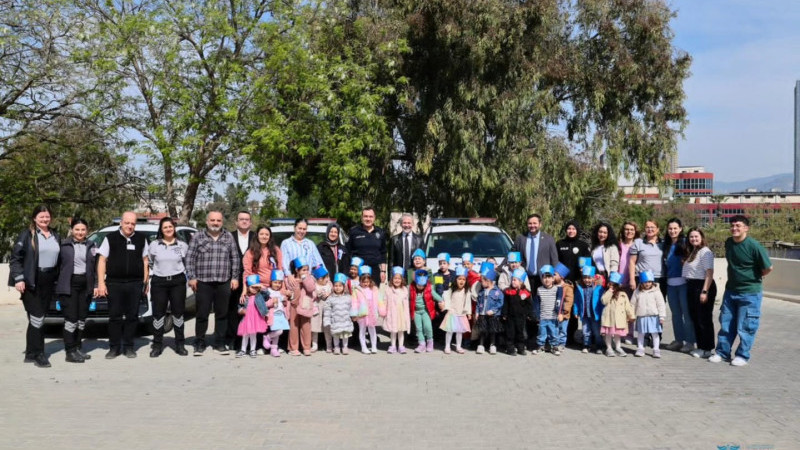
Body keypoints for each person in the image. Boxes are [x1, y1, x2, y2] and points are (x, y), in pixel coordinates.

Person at [709, 215, 772, 367]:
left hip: (750, 293)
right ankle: (722, 353)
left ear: (746, 228)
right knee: (726, 324)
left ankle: (742, 355)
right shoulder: (729, 243)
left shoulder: (754, 246)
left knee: (746, 326)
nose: (734, 228)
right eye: (732, 226)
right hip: (731, 290)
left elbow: (768, 268)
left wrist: (752, 278)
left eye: (738, 225)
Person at [10, 206, 61, 367]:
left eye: (47, 217)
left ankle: (30, 353)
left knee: (36, 319)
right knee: (38, 317)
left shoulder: (55, 235)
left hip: (49, 280)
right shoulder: (27, 235)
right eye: (41, 217)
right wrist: (19, 279)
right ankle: (39, 354)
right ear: (34, 218)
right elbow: (15, 258)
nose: (45, 219)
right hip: (31, 280)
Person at [185, 211, 241, 356]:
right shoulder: (198, 236)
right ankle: (199, 342)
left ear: (222, 221)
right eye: (212, 220)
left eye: (218, 220)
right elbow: (189, 258)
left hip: (224, 282)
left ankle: (219, 343)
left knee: (222, 314)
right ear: (207, 221)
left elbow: (235, 258)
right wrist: (191, 277)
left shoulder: (228, 237)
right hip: (203, 282)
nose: (215, 223)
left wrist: (235, 277)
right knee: (202, 314)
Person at [97, 211, 149, 360]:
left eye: (133, 223)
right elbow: (102, 260)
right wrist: (101, 282)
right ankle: (114, 347)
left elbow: (145, 261)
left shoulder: (141, 239)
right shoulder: (110, 238)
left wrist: (145, 282)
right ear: (121, 223)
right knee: (115, 317)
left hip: (135, 284)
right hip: (114, 283)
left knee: (132, 316)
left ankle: (129, 347)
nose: (130, 226)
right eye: (127, 223)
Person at [56, 218, 98, 363]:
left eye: (83, 230)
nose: (80, 232)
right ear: (72, 230)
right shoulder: (63, 245)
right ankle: (70, 351)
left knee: (81, 320)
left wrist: (96, 285)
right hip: (69, 286)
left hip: (85, 286)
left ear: (87, 230)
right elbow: (56, 266)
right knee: (71, 320)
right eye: (77, 229)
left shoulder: (92, 245)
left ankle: (78, 348)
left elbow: (95, 267)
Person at [146, 217, 190, 357]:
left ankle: (180, 344)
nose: (168, 229)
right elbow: (150, 262)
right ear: (161, 229)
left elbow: (186, 263)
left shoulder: (182, 245)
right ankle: (157, 345)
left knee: (178, 313)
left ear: (174, 228)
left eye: (170, 226)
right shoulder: (154, 245)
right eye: (165, 227)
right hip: (159, 282)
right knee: (158, 315)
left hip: (178, 281)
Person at [242, 225, 283, 353]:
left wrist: (283, 289)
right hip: (257, 289)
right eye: (262, 234)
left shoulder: (276, 250)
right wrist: (245, 290)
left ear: (270, 236)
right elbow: (247, 273)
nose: (264, 236)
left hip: (274, 287)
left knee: (274, 316)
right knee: (260, 316)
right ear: (257, 235)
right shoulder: (251, 252)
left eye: (267, 234)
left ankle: (274, 345)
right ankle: (260, 346)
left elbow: (280, 270)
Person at [682, 228, 717, 359]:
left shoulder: (705, 252)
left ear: (702, 237)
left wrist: (704, 291)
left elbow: (709, 273)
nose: (693, 239)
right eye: (691, 237)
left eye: (696, 236)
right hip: (692, 285)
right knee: (696, 318)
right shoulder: (692, 252)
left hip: (702, 286)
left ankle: (706, 348)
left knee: (704, 319)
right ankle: (701, 346)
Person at [662, 218, 695, 353]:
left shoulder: (686, 243)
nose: (672, 231)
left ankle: (690, 342)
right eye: (670, 228)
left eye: (675, 228)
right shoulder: (665, 244)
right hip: (671, 285)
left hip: (684, 284)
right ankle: (678, 340)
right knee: (676, 314)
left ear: (681, 228)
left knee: (686, 315)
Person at [226, 211, 255, 351]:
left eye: (247, 219)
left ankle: (250, 340)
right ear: (236, 222)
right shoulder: (228, 236)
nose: (244, 221)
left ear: (250, 222)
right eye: (241, 219)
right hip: (233, 279)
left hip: (252, 279)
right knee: (232, 309)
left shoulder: (256, 237)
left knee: (250, 309)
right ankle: (232, 339)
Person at [347, 207, 388, 285]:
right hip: (358, 271)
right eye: (365, 216)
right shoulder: (354, 231)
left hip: (375, 271)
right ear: (362, 218)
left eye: (370, 216)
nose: (368, 219)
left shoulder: (380, 232)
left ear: (374, 218)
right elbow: (348, 252)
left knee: (373, 295)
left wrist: (383, 271)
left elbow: (383, 253)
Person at [630, 271, 666, 358]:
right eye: (645, 282)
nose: (647, 284)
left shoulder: (656, 292)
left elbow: (661, 304)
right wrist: (631, 315)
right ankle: (640, 348)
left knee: (655, 333)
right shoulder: (637, 292)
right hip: (641, 316)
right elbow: (632, 304)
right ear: (641, 282)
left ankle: (656, 349)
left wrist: (662, 316)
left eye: (649, 282)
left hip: (654, 316)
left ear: (652, 282)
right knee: (641, 333)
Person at [285, 256, 316, 356]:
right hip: (294, 304)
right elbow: (289, 289)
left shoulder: (310, 278)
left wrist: (305, 279)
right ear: (296, 270)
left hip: (305, 305)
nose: (305, 272)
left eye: (307, 270)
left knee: (306, 326)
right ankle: (293, 348)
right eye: (303, 270)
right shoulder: (291, 279)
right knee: (293, 326)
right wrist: (297, 283)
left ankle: (306, 347)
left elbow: (311, 288)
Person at [600, 272, 635, 358]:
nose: (611, 286)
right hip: (609, 317)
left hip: (619, 318)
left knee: (617, 334)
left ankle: (618, 347)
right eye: (610, 283)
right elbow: (603, 301)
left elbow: (628, 306)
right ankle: (609, 348)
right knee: (608, 333)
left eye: (614, 285)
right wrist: (609, 292)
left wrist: (631, 315)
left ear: (618, 285)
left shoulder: (623, 294)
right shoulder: (606, 292)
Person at [473, 263, 504, 355]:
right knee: (482, 330)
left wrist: (493, 311)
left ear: (488, 281)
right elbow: (479, 303)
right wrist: (477, 312)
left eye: (482, 281)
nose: (481, 282)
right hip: (483, 314)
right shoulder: (482, 292)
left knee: (492, 331)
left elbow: (500, 303)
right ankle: (481, 345)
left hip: (493, 315)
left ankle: (492, 345)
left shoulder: (497, 292)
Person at [439, 267, 472, 354]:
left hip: (461, 314)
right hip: (452, 313)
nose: (461, 281)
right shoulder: (451, 290)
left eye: (463, 279)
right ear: (455, 280)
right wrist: (446, 307)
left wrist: (468, 312)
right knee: (449, 331)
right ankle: (447, 346)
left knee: (459, 332)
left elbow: (468, 302)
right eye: (459, 279)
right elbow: (446, 297)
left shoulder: (466, 291)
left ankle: (458, 346)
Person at [501, 268, 532, 356]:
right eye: (512, 280)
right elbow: (505, 303)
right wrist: (504, 313)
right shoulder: (508, 291)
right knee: (510, 333)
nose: (513, 282)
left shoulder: (526, 292)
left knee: (520, 333)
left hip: (521, 317)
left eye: (515, 280)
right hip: (510, 317)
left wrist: (529, 314)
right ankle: (510, 349)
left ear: (521, 282)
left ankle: (520, 348)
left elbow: (529, 305)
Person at [627, 220, 664, 295]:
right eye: (647, 227)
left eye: (652, 227)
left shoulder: (663, 243)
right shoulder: (638, 242)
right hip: (642, 278)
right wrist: (632, 279)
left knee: (659, 304)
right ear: (645, 229)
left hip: (659, 278)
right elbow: (632, 262)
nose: (650, 229)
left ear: (657, 229)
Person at [533, 265, 563, 356]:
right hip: (543, 316)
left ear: (553, 278)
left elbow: (560, 302)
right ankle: (541, 346)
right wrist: (536, 315)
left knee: (554, 333)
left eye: (549, 277)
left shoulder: (557, 290)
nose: (547, 279)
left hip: (553, 316)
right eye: (544, 277)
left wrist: (560, 313)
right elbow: (536, 303)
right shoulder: (539, 289)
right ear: (542, 279)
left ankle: (554, 347)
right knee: (541, 333)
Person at [574, 265, 604, 354]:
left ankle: (599, 346)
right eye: (585, 278)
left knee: (596, 332)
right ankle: (586, 345)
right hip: (585, 314)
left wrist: (602, 313)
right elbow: (576, 301)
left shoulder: (599, 288)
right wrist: (576, 311)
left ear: (593, 278)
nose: (587, 280)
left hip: (595, 314)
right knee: (585, 331)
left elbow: (602, 302)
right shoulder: (579, 288)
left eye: (589, 278)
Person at [236, 275, 268, 358]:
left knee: (253, 335)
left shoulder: (260, 296)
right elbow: (239, 306)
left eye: (256, 288)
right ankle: (243, 350)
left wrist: (262, 287)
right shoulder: (245, 297)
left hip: (255, 319)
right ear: (248, 287)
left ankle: (252, 350)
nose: (255, 289)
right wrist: (241, 310)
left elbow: (267, 295)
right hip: (246, 319)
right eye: (252, 287)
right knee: (245, 335)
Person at [618, 221, 639, 344]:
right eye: (626, 229)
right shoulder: (618, 245)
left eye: (632, 229)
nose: (629, 232)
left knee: (630, 309)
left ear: (635, 231)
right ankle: (619, 332)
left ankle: (629, 334)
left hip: (632, 281)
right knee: (619, 309)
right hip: (618, 282)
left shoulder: (638, 245)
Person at [351, 265, 380, 354]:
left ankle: (374, 346)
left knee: (372, 329)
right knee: (362, 330)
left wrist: (380, 310)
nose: (366, 284)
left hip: (371, 313)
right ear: (360, 281)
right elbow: (354, 303)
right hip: (362, 313)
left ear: (370, 281)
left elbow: (379, 300)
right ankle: (364, 347)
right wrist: (354, 314)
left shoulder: (374, 289)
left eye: (367, 282)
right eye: (364, 282)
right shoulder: (356, 290)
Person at [324, 273, 355, 355]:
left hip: (346, 320)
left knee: (345, 335)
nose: (337, 288)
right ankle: (336, 347)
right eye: (336, 286)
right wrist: (327, 321)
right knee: (336, 335)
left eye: (340, 286)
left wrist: (354, 316)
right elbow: (327, 310)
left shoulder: (348, 297)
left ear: (344, 287)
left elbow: (352, 308)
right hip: (335, 321)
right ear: (333, 287)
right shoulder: (330, 298)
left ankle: (345, 346)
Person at [382, 267, 410, 354]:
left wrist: (406, 314)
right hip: (392, 313)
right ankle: (393, 345)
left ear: (402, 280)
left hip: (401, 313)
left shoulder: (404, 290)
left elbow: (406, 303)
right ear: (392, 279)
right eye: (395, 278)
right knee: (393, 331)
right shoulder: (388, 289)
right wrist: (383, 311)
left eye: (399, 278)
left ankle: (401, 346)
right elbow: (385, 301)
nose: (397, 280)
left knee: (401, 330)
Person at [409, 269, 439, 353]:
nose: (421, 287)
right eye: (419, 285)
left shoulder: (429, 289)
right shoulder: (411, 289)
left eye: (423, 285)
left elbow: (435, 295)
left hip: (426, 311)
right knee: (419, 329)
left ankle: (430, 342)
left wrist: (441, 301)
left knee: (427, 327)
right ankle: (421, 344)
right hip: (416, 312)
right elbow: (407, 298)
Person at [552, 263, 574, 351]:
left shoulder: (567, 288)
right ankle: (555, 343)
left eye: (555, 274)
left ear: (561, 276)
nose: (552, 276)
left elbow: (569, 300)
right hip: (555, 312)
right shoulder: (553, 286)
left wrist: (564, 312)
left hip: (563, 314)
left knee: (562, 329)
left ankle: (562, 343)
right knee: (555, 328)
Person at [310, 265, 332, 353]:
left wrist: (329, 294)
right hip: (317, 309)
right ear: (319, 279)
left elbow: (333, 293)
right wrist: (316, 294)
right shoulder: (314, 286)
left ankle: (329, 345)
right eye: (325, 278)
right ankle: (314, 345)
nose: (327, 279)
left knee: (327, 327)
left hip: (326, 309)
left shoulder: (329, 285)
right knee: (314, 327)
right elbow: (311, 296)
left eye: (327, 277)